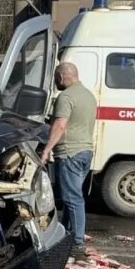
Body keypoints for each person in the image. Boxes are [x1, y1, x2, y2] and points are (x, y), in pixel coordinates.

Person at [40, 62, 97, 248]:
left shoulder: (65, 97)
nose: (56, 81)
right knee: (73, 196)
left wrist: (47, 149)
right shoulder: (89, 96)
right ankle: (65, 235)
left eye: (57, 78)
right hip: (86, 151)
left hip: (69, 153)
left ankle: (77, 242)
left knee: (72, 198)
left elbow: (60, 125)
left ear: (62, 76)